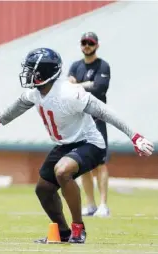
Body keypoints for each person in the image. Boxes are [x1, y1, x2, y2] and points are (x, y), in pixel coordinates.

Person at [0, 48, 154, 244]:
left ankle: (78, 229)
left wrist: (135, 136)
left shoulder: (69, 93)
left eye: (31, 70)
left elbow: (104, 112)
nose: (27, 74)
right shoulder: (35, 93)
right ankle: (62, 233)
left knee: (62, 171)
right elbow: (19, 104)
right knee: (43, 190)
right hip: (65, 145)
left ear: (43, 73)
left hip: (90, 143)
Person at [68, 32, 111, 217]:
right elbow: (68, 86)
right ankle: (91, 204)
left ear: (97, 45)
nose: (87, 46)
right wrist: (85, 84)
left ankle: (103, 205)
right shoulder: (75, 66)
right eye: (84, 42)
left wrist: (79, 85)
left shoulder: (103, 65)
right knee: (83, 164)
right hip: (80, 120)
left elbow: (99, 87)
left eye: (90, 43)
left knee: (100, 163)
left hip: (97, 119)